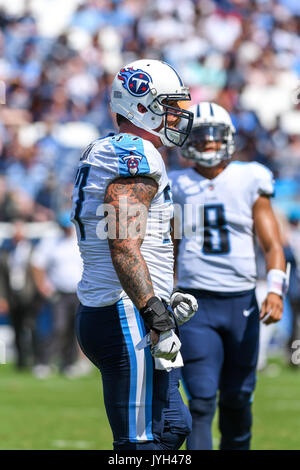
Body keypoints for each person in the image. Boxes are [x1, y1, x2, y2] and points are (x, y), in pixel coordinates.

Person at [71, 59, 198, 450]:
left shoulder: (117, 149)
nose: (179, 115)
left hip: (127, 305)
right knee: (139, 444)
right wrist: (151, 308)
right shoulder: (137, 152)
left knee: (173, 426)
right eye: (170, 104)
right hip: (124, 311)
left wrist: (160, 293)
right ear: (143, 105)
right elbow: (122, 241)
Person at [169, 102, 287, 450]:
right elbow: (170, 246)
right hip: (193, 304)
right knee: (202, 402)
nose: (207, 143)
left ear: (228, 138)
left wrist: (276, 290)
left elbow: (272, 244)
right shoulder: (174, 183)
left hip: (240, 302)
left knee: (237, 398)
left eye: (213, 135)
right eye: (200, 136)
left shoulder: (250, 176)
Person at [31, 210, 83, 377]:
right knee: (57, 327)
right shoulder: (51, 242)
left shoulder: (80, 241)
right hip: (58, 293)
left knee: (73, 329)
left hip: (78, 293)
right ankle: (44, 362)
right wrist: (43, 286)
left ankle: (69, 363)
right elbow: (37, 263)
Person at [0, 219, 42, 369]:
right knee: (16, 329)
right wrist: (3, 297)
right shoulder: (6, 252)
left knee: (31, 327)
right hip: (13, 296)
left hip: (29, 296)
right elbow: (3, 277)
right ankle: (21, 362)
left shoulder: (32, 250)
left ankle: (37, 359)